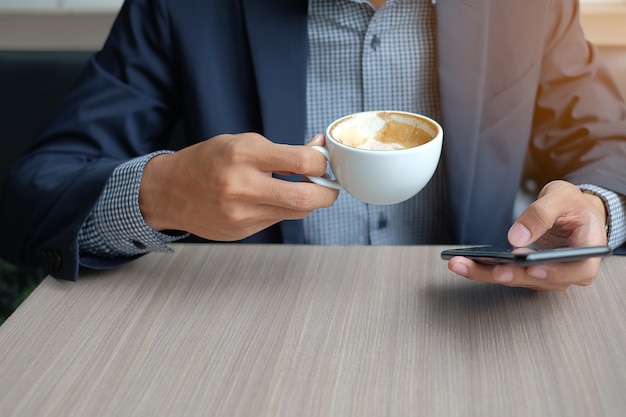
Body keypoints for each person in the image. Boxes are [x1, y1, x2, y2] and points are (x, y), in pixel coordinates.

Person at [1, 0, 625, 291]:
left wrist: (596, 207)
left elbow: (609, 144)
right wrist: (158, 194)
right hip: (251, 336)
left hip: (473, 309)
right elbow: (33, 194)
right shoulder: (183, 9)